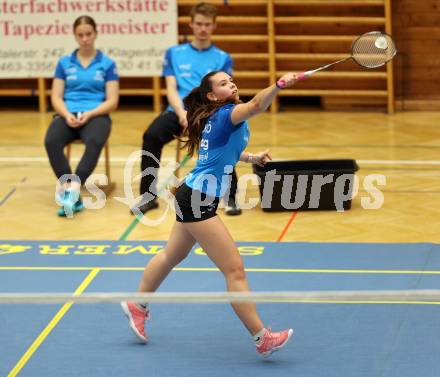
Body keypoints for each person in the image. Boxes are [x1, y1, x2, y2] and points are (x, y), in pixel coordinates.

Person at [121, 70, 298, 357]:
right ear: (213, 96)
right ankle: (261, 337)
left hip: (192, 195)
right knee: (234, 270)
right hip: (197, 200)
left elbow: (222, 150)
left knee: (172, 255)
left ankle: (137, 305)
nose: (232, 84)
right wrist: (278, 85)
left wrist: (250, 157)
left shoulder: (218, 118)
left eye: (232, 80)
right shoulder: (227, 113)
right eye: (224, 83)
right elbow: (256, 106)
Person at [131, 2, 242, 216]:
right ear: (191, 24)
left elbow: (226, 92)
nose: (202, 28)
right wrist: (182, 114)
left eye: (207, 24)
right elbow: (171, 88)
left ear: (213, 26)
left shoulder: (222, 58)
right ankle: (148, 196)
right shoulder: (174, 53)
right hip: (178, 112)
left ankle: (230, 198)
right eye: (198, 24)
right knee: (151, 135)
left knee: (224, 142)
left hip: (210, 114)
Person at [44, 15, 119, 217]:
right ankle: (70, 189)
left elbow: (112, 100)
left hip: (96, 115)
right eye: (81, 35)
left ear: (95, 34)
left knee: (94, 140)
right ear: (75, 36)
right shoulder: (64, 63)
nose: (85, 38)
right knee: (51, 140)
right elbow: (56, 96)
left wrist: (91, 113)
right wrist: (67, 114)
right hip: (68, 114)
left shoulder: (107, 63)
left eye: (89, 34)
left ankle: (73, 188)